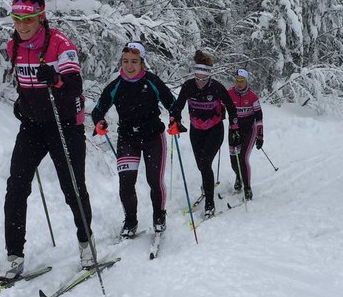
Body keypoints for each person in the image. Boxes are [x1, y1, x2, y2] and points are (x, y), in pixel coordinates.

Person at [3, 0, 92, 282]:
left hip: (65, 124)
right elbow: (23, 83)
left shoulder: (61, 45)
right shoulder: (13, 46)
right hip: (33, 125)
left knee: (72, 187)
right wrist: (22, 104)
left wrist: (55, 79)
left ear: (41, 17)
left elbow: (74, 87)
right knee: (16, 186)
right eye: (17, 18)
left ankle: (86, 244)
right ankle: (14, 256)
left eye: (28, 19)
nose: (22, 25)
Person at [91, 42, 177, 239]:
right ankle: (130, 221)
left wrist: (175, 120)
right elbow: (98, 110)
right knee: (126, 182)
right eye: (125, 61)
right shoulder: (116, 85)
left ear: (142, 63)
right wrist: (99, 122)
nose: (129, 66)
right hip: (128, 139)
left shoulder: (152, 81)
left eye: (134, 61)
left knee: (154, 180)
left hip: (153, 137)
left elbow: (172, 104)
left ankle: (159, 215)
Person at [169, 50, 238, 218]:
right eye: (197, 77)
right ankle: (206, 185)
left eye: (203, 78)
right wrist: (175, 121)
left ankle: (210, 202)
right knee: (201, 165)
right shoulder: (188, 86)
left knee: (205, 163)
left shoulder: (217, 88)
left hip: (215, 130)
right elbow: (177, 106)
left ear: (209, 75)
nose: (200, 81)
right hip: (196, 131)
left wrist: (234, 126)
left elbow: (231, 107)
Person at [227, 68, 264, 200]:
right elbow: (219, 107)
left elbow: (259, 116)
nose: (239, 83)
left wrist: (260, 135)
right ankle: (239, 176)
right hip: (233, 129)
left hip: (249, 130)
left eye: (242, 80)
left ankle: (247, 188)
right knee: (233, 160)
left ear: (246, 81)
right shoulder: (229, 93)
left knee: (242, 158)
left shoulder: (253, 96)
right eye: (237, 80)